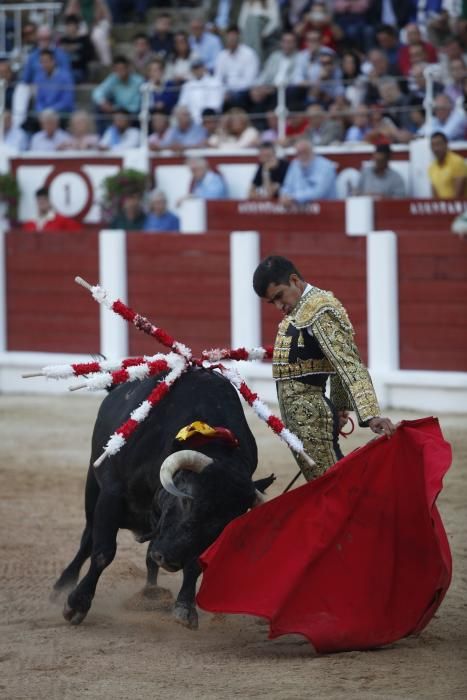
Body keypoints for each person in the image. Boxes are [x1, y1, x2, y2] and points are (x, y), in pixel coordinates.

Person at [252, 255, 396, 480]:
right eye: (273, 302)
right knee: (330, 488)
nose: (280, 306)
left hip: (313, 418)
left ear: (294, 280)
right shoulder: (303, 309)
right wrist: (339, 407)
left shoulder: (319, 310)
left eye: (279, 296)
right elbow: (333, 361)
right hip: (308, 419)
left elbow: (348, 363)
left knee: (331, 489)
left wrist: (371, 415)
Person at [279, 139, 336, 207]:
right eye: (299, 152)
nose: (302, 155)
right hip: (299, 210)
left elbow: (318, 192)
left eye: (305, 152)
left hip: (327, 210)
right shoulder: (295, 164)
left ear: (312, 151)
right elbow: (287, 186)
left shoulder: (325, 166)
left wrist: (294, 198)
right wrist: (284, 196)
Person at [428, 131, 467, 199]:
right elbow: (435, 197)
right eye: (433, 145)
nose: (436, 148)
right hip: (441, 208)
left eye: (438, 144)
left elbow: (458, 195)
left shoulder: (457, 162)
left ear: (446, 144)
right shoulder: (431, 167)